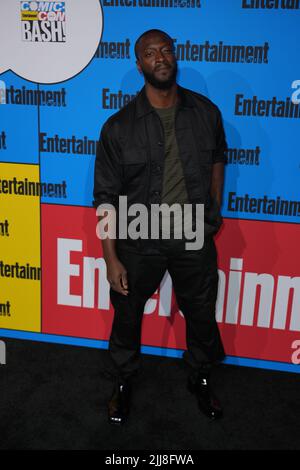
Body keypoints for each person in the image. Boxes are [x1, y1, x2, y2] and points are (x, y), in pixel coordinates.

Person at [93, 29, 227, 424]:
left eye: (166, 50)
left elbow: (218, 158)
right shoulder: (118, 127)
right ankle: (122, 382)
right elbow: (105, 198)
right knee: (127, 315)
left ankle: (200, 378)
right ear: (139, 64)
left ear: (175, 57)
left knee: (201, 313)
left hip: (192, 235)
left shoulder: (206, 113)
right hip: (139, 238)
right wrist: (111, 258)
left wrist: (212, 213)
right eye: (150, 53)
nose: (160, 57)